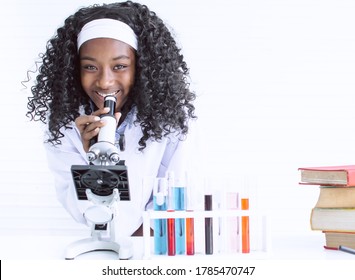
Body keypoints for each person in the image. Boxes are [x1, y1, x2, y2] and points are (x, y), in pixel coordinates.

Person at [25, 1, 198, 238]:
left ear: (141, 67)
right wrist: (95, 161)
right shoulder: (65, 124)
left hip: (157, 247)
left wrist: (138, 249)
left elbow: (175, 198)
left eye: (119, 66)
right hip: (107, 250)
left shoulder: (169, 120)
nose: (105, 82)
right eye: (90, 67)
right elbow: (92, 216)